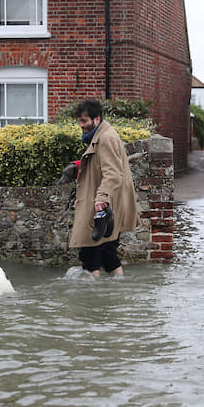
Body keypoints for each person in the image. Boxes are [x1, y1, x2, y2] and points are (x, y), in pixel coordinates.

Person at [68, 98, 140, 276]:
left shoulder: (105, 138)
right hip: (109, 203)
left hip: (102, 204)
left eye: (84, 121)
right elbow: (102, 165)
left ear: (97, 119)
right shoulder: (102, 135)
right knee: (108, 253)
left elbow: (113, 173)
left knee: (89, 254)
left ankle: (90, 301)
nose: (81, 125)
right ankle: (114, 294)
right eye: (80, 121)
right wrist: (78, 166)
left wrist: (102, 198)